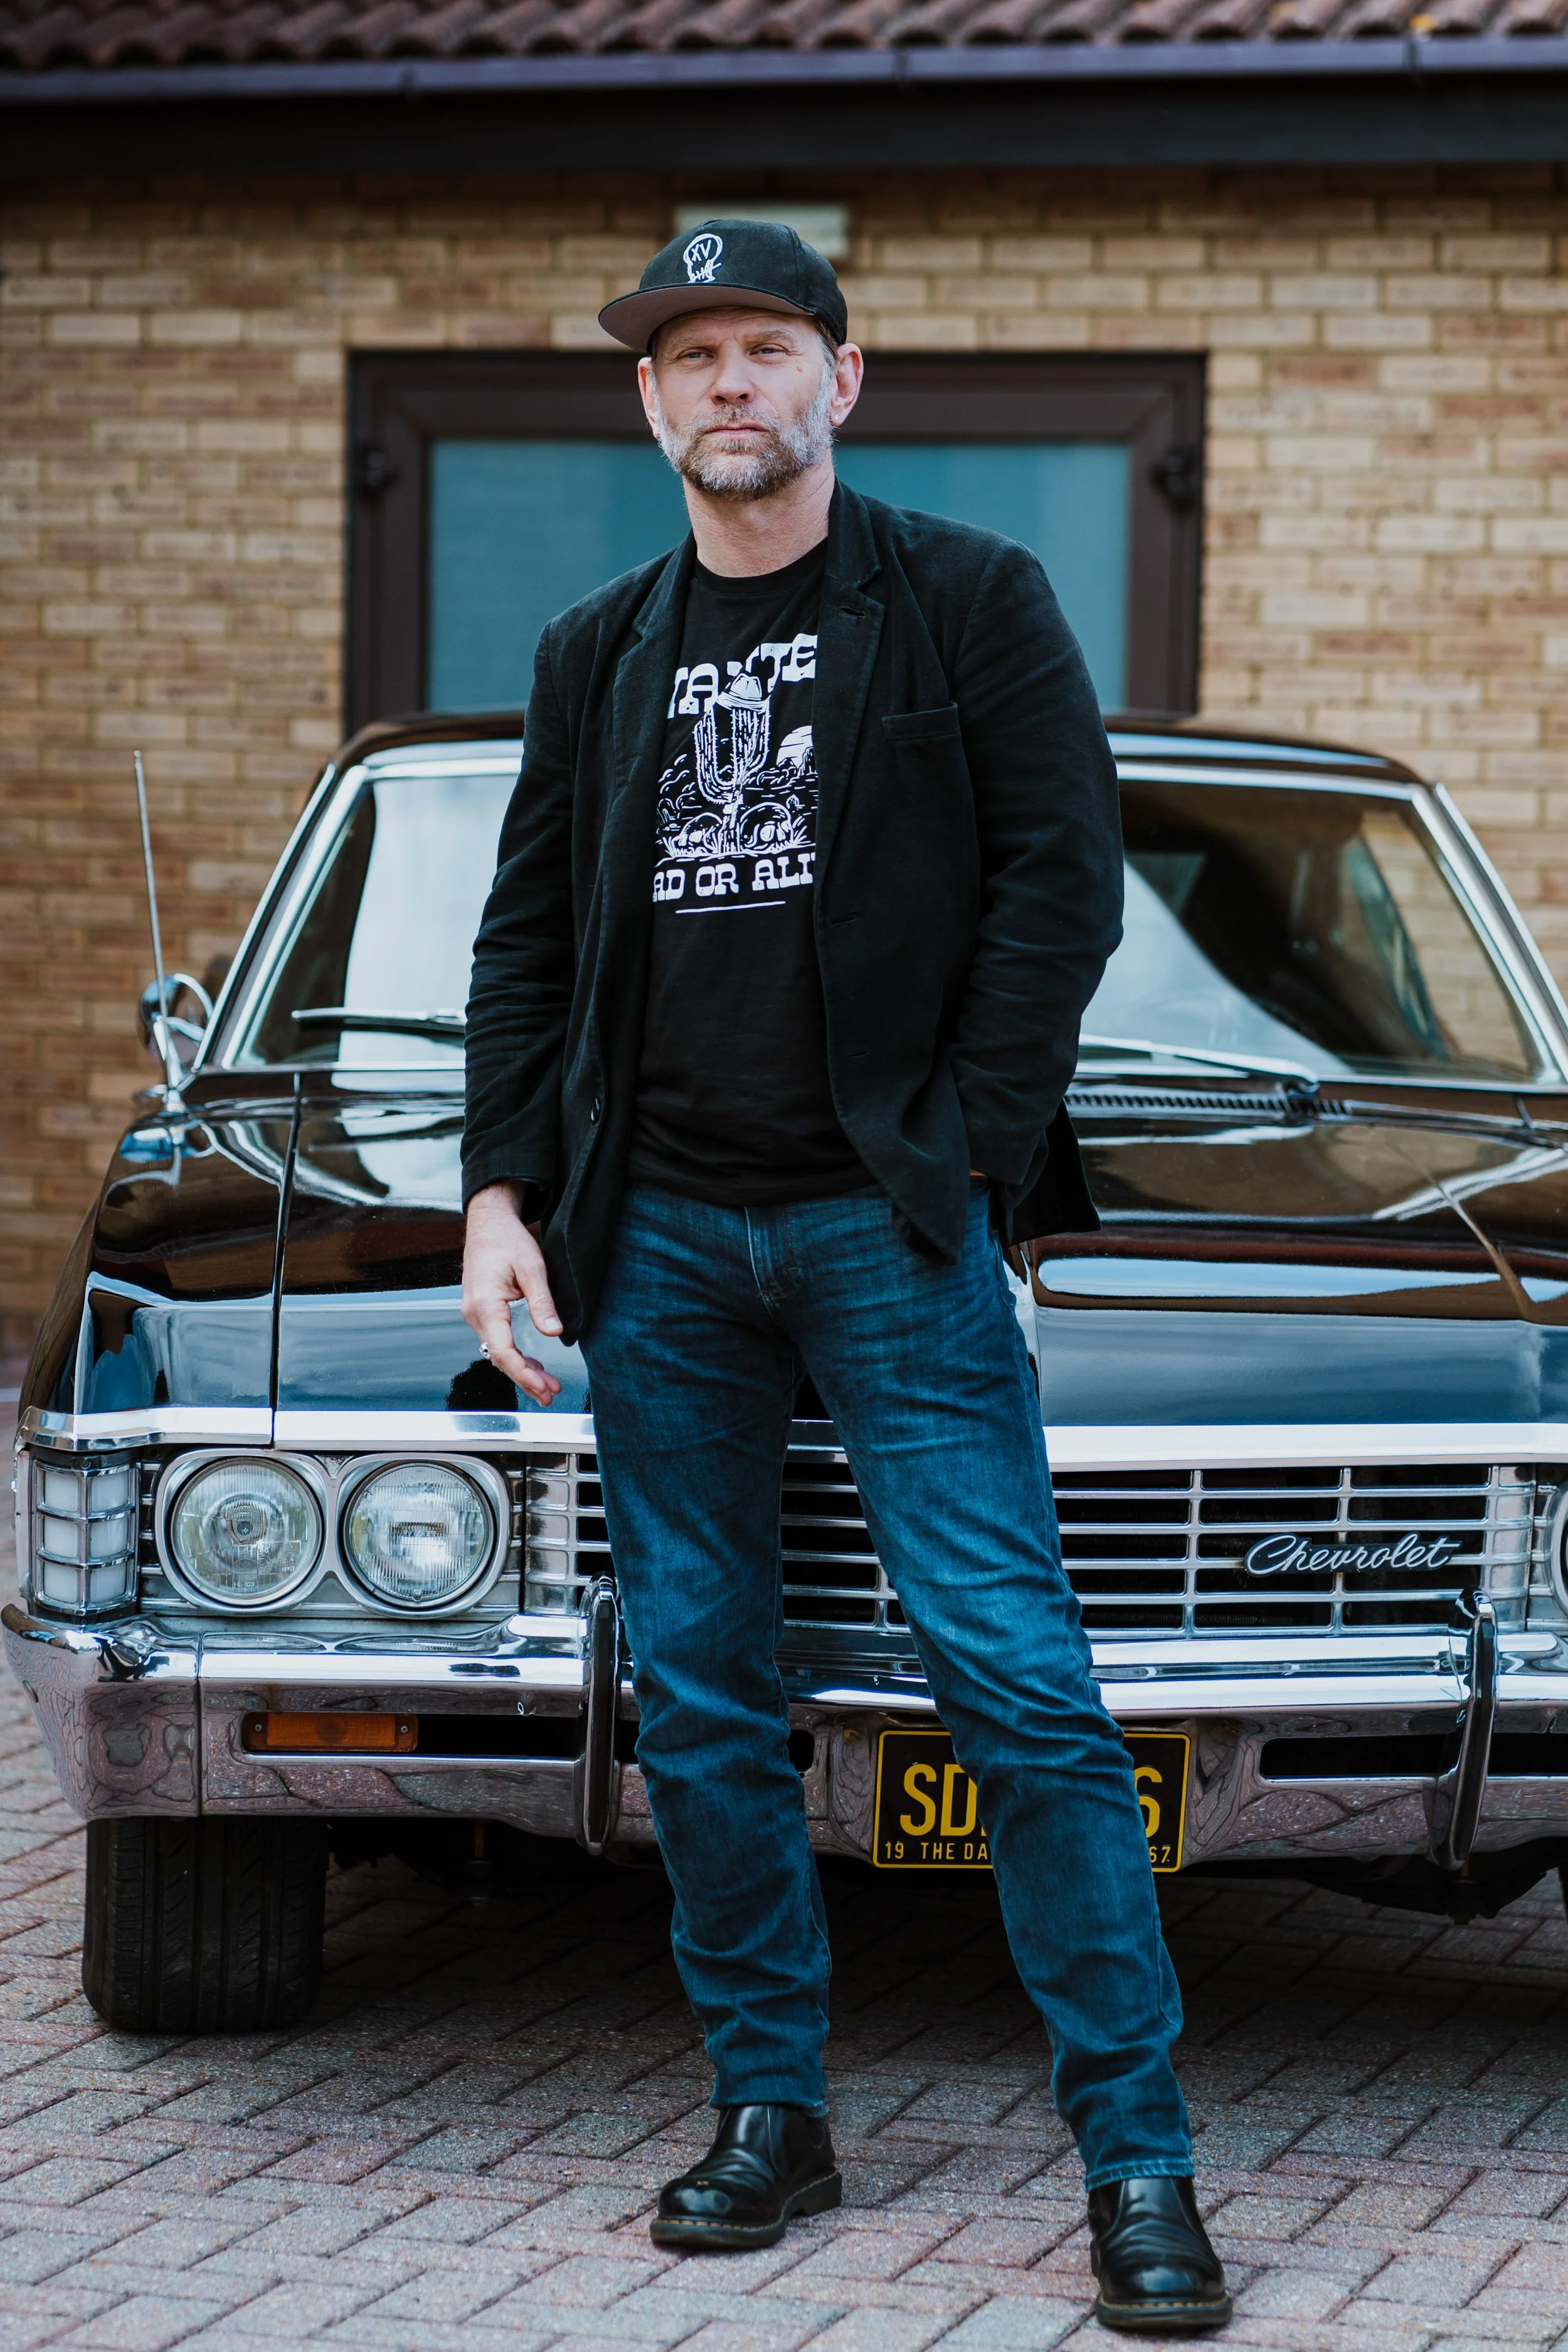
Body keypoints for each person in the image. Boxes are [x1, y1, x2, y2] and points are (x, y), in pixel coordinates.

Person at [462, 218, 1231, 2332]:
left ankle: (1138, 2156)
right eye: (689, 354)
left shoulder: (967, 600)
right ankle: (767, 2113)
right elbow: (527, 939)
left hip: (885, 1227)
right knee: (705, 1692)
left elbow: (1059, 887)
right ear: (648, 400)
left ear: (841, 380)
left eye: (762, 347)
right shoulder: (595, 650)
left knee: (1016, 1680)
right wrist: (502, 1187)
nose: (726, 383)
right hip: (659, 1246)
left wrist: (963, 1157)